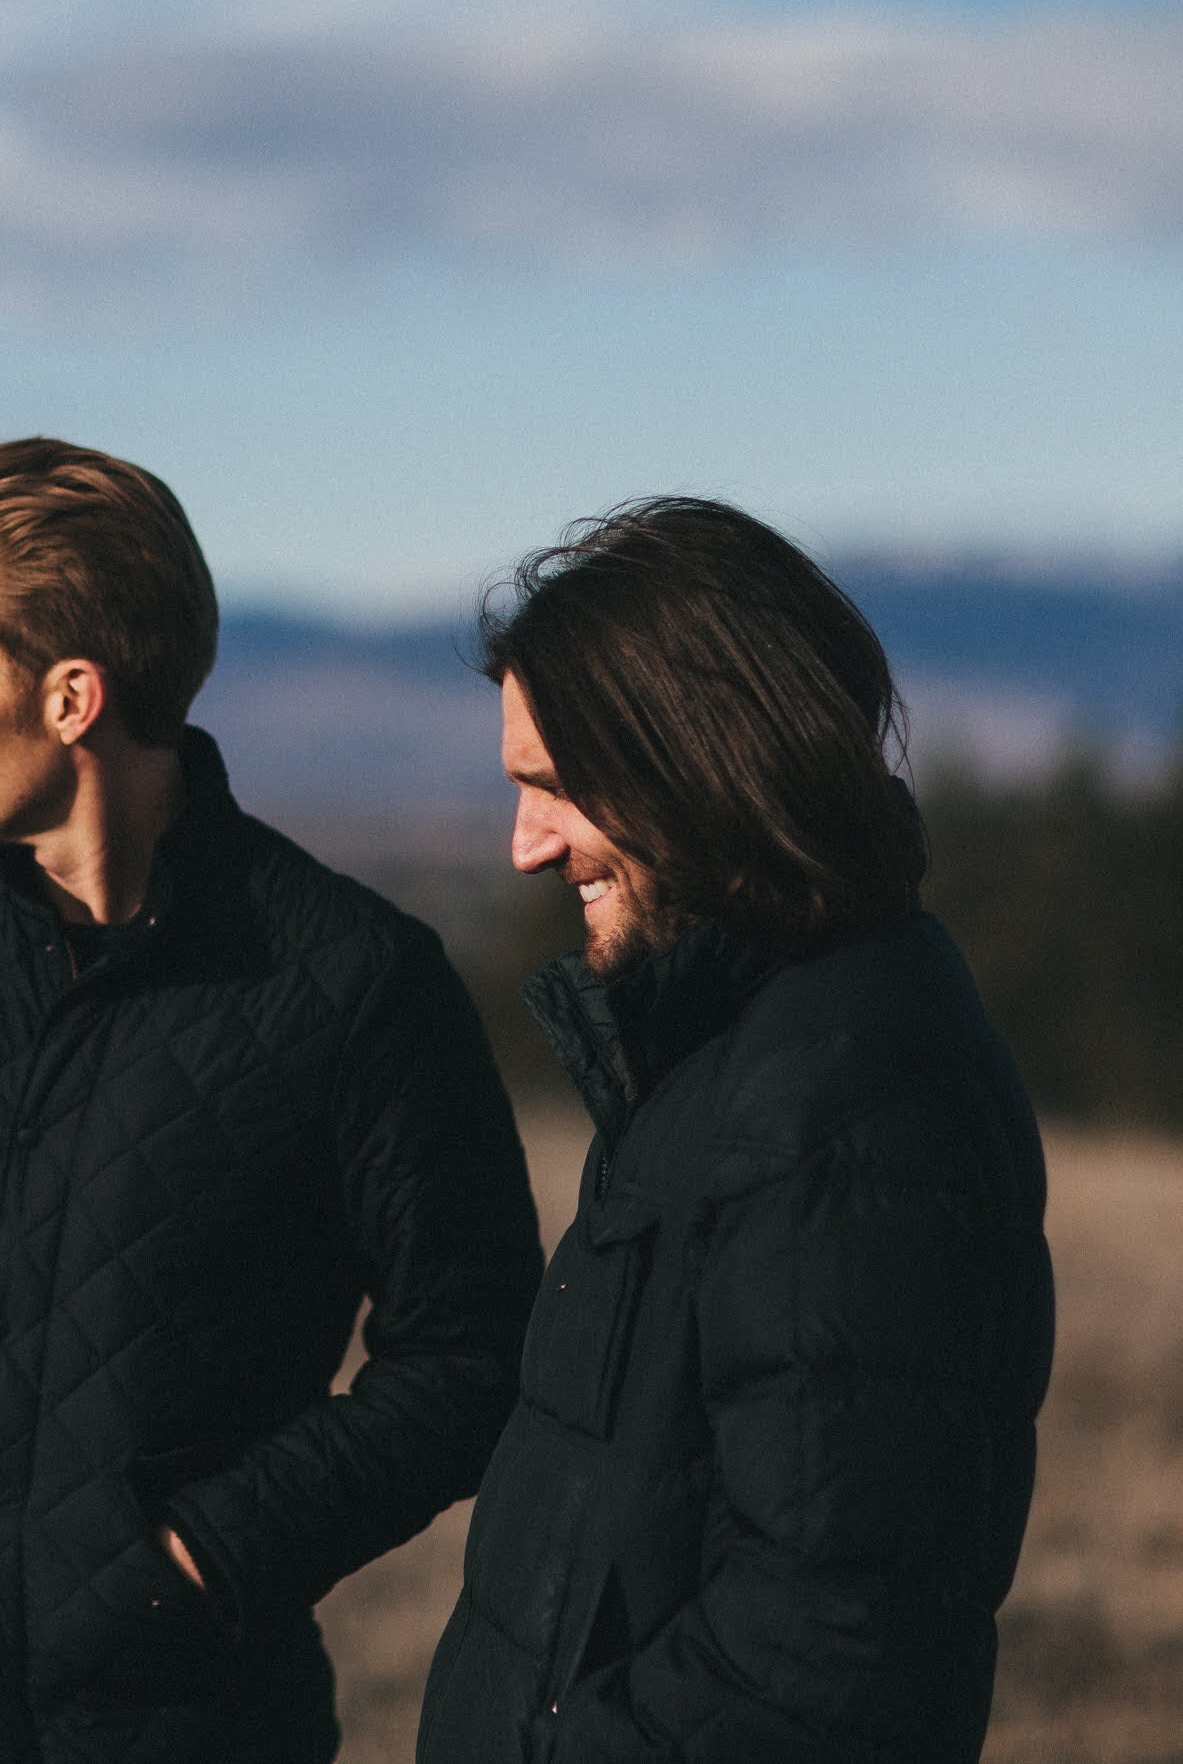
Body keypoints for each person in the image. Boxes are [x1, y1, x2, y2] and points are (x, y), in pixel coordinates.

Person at [0, 438, 543, 1764]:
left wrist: (208, 1554)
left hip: (184, 1725)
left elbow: (473, 1349)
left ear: (71, 698)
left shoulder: (348, 980)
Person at [416, 497, 1055, 1763]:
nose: (525, 843)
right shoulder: (720, 1044)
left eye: (554, 787)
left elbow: (833, 1647)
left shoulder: (840, 1098)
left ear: (697, 762)